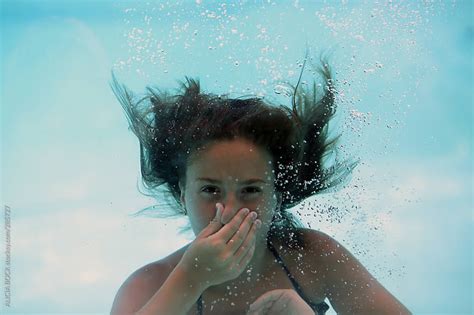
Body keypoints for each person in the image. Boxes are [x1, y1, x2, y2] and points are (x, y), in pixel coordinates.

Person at [109, 54, 411, 315]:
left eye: (251, 190)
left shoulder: (312, 258)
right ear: (181, 193)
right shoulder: (150, 286)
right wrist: (191, 278)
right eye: (210, 189)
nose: (228, 210)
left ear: (277, 194)